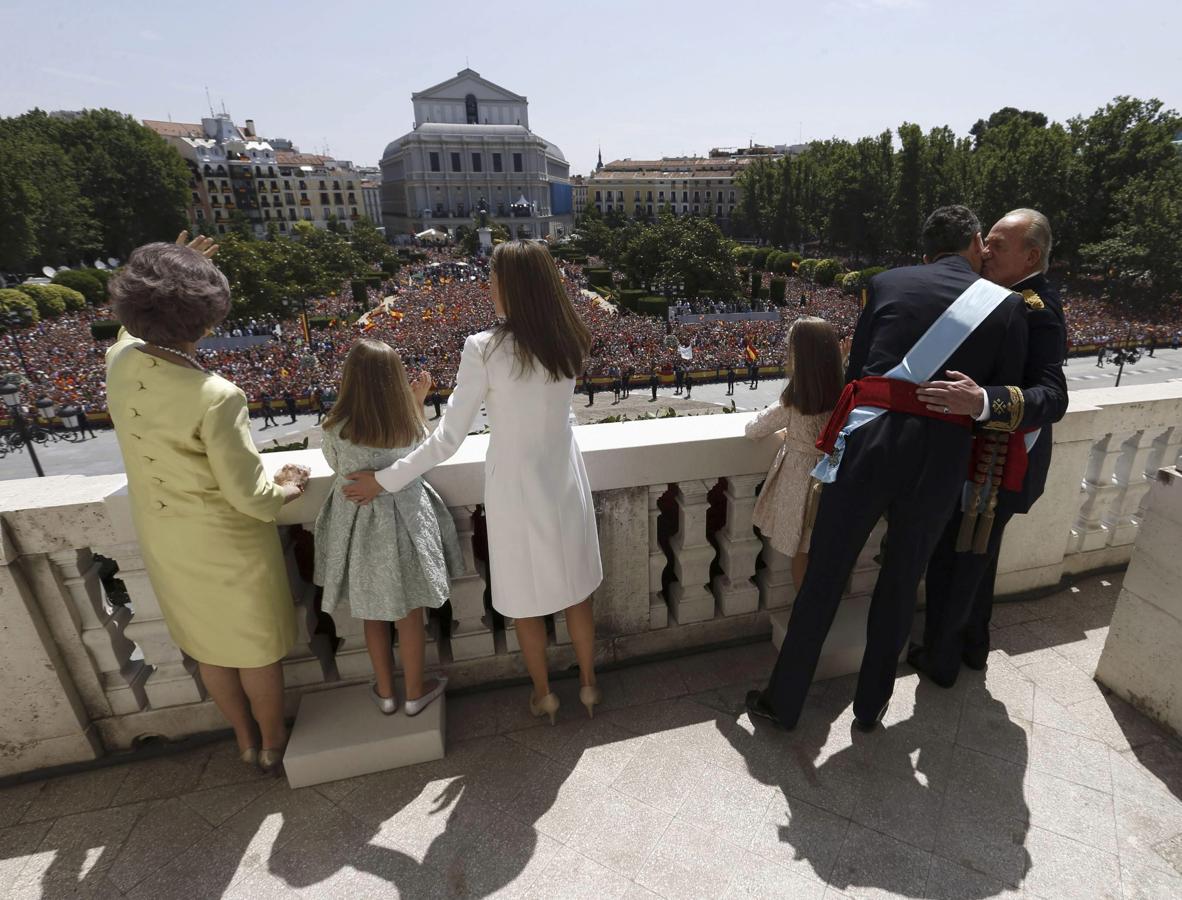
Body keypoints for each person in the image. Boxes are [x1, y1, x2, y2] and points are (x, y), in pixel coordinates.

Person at [747, 206, 1027, 732]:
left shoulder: (885, 282)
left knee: (825, 575)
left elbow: (856, 379)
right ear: (973, 242)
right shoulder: (1008, 306)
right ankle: (871, 706)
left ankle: (783, 702)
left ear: (924, 248)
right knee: (901, 582)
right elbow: (998, 400)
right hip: (942, 454)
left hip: (870, 442)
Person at [344, 241, 604, 724]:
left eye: (494, 279)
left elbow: (447, 439)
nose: (488, 287)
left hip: (515, 484)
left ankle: (544, 694)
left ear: (511, 287)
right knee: (576, 591)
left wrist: (386, 479)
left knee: (526, 602)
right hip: (564, 474)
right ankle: (588, 685)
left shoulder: (483, 347)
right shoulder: (572, 337)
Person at [105, 235, 308, 773]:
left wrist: (168, 270)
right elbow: (252, 496)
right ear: (208, 320)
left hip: (167, 540)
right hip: (225, 543)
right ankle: (272, 742)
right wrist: (289, 484)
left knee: (211, 646)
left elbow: (133, 327)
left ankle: (242, 738)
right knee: (255, 650)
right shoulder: (216, 395)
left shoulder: (120, 360)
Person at [911, 209, 1068, 686]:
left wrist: (981, 401)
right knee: (976, 563)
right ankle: (973, 647)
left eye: (998, 244)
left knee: (954, 563)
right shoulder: (1007, 296)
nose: (985, 250)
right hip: (990, 462)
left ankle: (941, 660)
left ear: (1031, 256)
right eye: (987, 242)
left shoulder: (1035, 307)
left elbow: (1052, 396)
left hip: (995, 464)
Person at [314, 340, 463, 716]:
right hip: (407, 524)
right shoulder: (407, 422)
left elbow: (336, 468)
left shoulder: (334, 427)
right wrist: (417, 403)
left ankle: (385, 692)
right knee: (410, 614)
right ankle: (415, 692)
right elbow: (423, 451)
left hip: (361, 527)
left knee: (372, 614)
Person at [744, 318, 845, 589]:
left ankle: (805, 612)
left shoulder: (795, 400)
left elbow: (753, 429)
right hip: (834, 475)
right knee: (826, 549)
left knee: (802, 550)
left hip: (801, 480)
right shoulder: (844, 394)